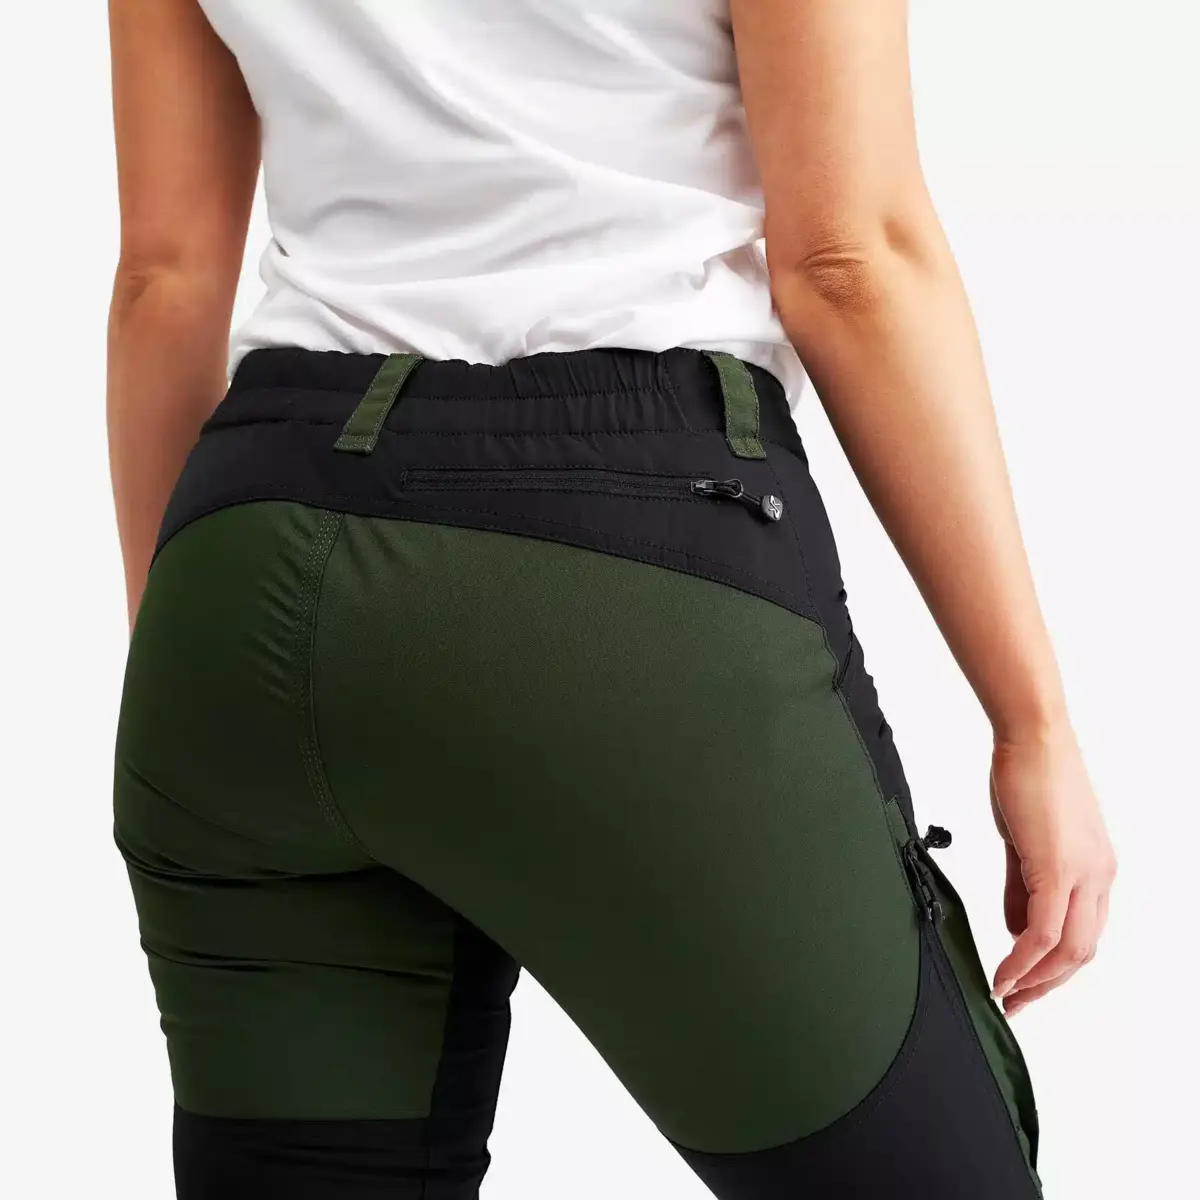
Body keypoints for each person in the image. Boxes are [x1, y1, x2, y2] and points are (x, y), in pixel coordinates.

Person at [106, 2, 1116, 1197]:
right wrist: (1030, 722)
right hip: (624, 560)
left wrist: (195, 669)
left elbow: (165, 279)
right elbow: (850, 261)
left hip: (247, 561)